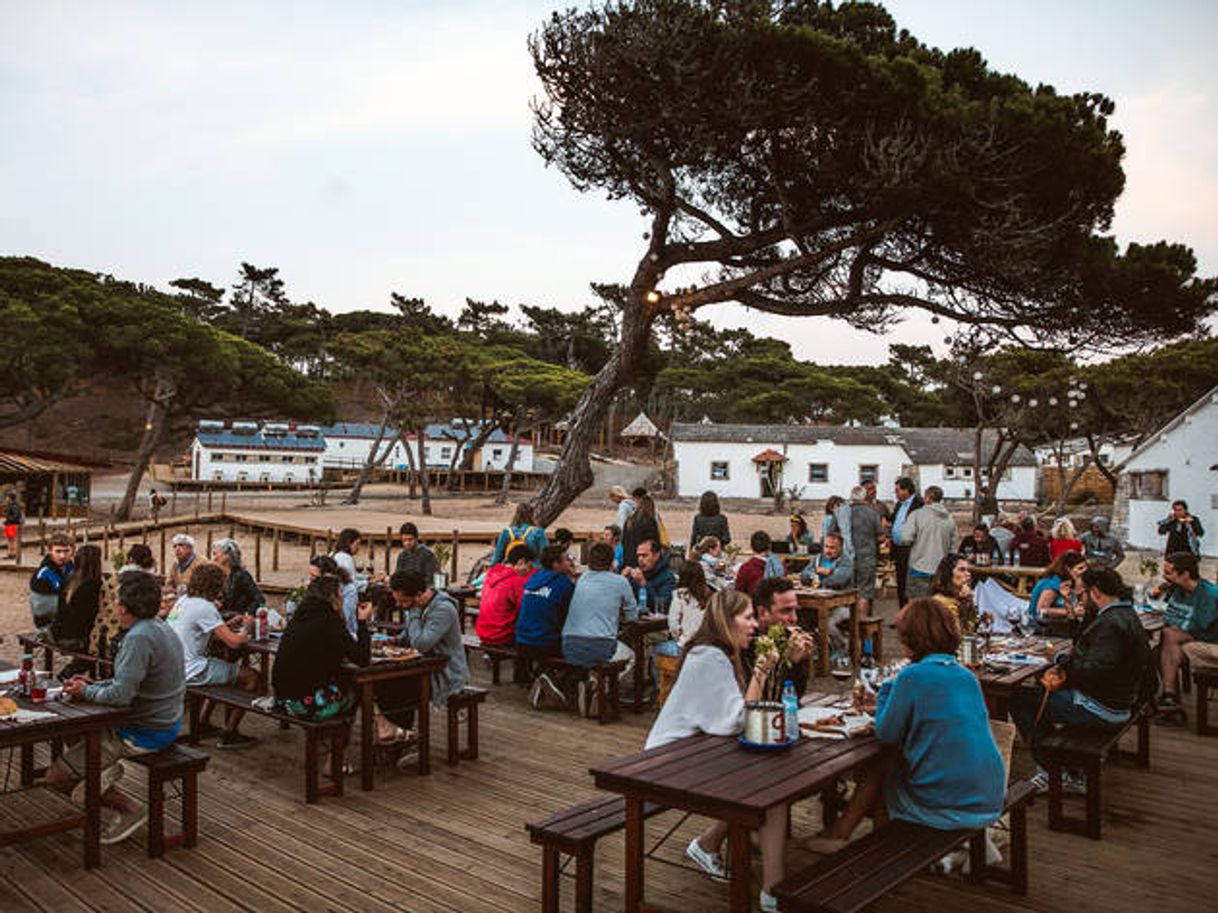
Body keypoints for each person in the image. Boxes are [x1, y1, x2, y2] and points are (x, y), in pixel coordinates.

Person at [813, 598, 1005, 846]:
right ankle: (843, 833)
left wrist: (885, 692)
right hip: (988, 795)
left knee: (882, 769)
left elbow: (886, 734)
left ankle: (872, 849)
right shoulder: (967, 675)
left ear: (912, 638)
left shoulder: (912, 676)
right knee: (889, 765)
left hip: (949, 803)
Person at [645, 590, 788, 912]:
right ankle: (773, 892)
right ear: (727, 620)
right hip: (666, 761)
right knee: (772, 791)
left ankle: (709, 845)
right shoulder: (708, 657)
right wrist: (762, 671)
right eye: (748, 617)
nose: (754, 625)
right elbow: (738, 720)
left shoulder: (714, 653)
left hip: (693, 751)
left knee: (766, 783)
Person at [45, 571, 186, 845]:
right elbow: (128, 682)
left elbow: (121, 695)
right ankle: (98, 773)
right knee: (71, 730)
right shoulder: (159, 627)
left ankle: (129, 808)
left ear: (123, 607)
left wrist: (86, 690)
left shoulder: (137, 638)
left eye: (116, 599)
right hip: (167, 720)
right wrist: (93, 685)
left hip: (144, 731)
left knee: (56, 778)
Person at [1009, 568, 1150, 793]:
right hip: (1120, 701)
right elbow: (1090, 652)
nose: (1080, 600)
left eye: (1082, 594)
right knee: (1037, 696)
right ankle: (1065, 765)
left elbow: (1093, 669)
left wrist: (1060, 660)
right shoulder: (1125, 614)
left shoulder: (1110, 624)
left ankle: (1052, 772)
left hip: (1103, 708)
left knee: (1019, 699)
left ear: (1095, 592)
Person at [166, 562, 260, 748]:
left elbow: (203, 628)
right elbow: (234, 642)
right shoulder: (204, 607)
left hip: (172, 666)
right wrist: (247, 627)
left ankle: (202, 722)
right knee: (253, 677)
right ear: (216, 585)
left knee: (222, 664)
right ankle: (230, 733)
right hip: (190, 670)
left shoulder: (183, 601)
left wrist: (227, 624)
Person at [273, 575, 373, 724]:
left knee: (342, 678)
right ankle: (338, 736)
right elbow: (362, 658)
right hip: (305, 705)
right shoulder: (329, 620)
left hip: (281, 699)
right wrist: (362, 622)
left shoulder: (300, 615)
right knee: (358, 687)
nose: (343, 599)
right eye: (341, 594)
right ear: (333, 597)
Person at [383, 570, 470, 733]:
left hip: (445, 674)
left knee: (398, 692)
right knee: (387, 686)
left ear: (418, 595)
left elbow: (421, 644)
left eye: (403, 602)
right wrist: (392, 641)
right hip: (425, 668)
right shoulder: (416, 604)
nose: (399, 606)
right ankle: (395, 733)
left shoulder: (443, 610)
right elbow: (409, 635)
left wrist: (414, 612)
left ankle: (404, 737)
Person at [563, 541, 639, 716]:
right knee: (631, 657)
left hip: (569, 645)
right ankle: (600, 687)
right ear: (612, 561)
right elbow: (632, 617)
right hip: (599, 646)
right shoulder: (620, 582)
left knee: (605, 649)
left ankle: (593, 684)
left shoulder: (581, 579)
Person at [1154, 552, 1218, 723]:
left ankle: (1169, 698)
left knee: (1167, 639)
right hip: (1193, 639)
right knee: (1158, 650)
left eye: (1168, 573)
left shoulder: (1210, 595)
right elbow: (1170, 616)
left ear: (1185, 574)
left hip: (1212, 644)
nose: (1164, 576)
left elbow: (1196, 627)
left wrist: (1172, 628)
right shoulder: (1178, 590)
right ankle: (1170, 700)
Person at [516, 545, 577, 706]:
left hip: (522, 640)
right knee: (582, 649)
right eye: (566, 559)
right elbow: (570, 616)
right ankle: (553, 679)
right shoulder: (563, 584)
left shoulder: (533, 578)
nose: (570, 562)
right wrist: (571, 580)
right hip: (544, 642)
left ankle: (545, 675)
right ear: (556, 564)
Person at [743, 576, 815, 696]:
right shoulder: (745, 641)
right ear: (762, 613)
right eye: (786, 611)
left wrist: (796, 663)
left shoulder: (786, 637)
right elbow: (765, 700)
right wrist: (787, 663)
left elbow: (795, 697)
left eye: (795, 610)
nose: (794, 618)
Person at [895, 485, 956, 601]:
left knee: (918, 605)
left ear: (927, 498)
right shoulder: (949, 518)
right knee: (938, 604)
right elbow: (953, 544)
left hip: (919, 567)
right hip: (940, 569)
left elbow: (905, 538)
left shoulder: (917, 515)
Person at [476, 544, 534, 646]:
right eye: (529, 566)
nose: (529, 571)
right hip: (500, 636)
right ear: (521, 562)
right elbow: (525, 608)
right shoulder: (515, 581)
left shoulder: (491, 574)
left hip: (482, 632)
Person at [847, 485, 885, 618]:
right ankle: (863, 625)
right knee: (865, 592)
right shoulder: (873, 513)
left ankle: (848, 623)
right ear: (864, 497)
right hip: (867, 557)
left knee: (847, 592)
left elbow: (832, 534)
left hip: (846, 558)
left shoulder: (842, 513)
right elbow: (881, 537)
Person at [1027, 551, 1087, 630]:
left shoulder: (1070, 581)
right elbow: (1041, 610)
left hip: (1057, 625)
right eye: (1080, 568)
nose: (1085, 571)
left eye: (1086, 567)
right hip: (1041, 627)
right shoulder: (1053, 585)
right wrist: (1070, 612)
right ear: (1068, 569)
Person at [888, 478, 923, 606]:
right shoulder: (899, 504)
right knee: (901, 583)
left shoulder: (918, 504)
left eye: (897, 490)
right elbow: (894, 520)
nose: (895, 493)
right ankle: (903, 614)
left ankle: (912, 616)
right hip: (898, 549)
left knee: (912, 584)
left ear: (906, 490)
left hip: (911, 549)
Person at [665, 561, 712, 652]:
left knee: (654, 648)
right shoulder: (708, 595)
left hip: (686, 645)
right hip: (706, 645)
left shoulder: (680, 595)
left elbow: (673, 624)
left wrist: (680, 638)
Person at [29, 532, 74, 627]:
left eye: (66, 551)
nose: (62, 556)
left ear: (72, 550)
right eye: (58, 551)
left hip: (69, 619)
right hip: (48, 624)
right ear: (50, 551)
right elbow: (40, 609)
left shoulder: (73, 568)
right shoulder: (42, 575)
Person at [210, 538, 264, 618]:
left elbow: (259, 599)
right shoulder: (216, 574)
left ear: (227, 556)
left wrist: (248, 614)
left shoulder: (241, 575)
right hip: (222, 615)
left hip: (237, 617)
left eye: (215, 554)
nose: (212, 558)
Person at [622, 538, 676, 613]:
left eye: (644, 555)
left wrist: (643, 583)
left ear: (656, 556)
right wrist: (622, 581)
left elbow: (662, 606)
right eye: (638, 556)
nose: (640, 559)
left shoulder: (667, 577)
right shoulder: (636, 574)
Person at [929, 553, 975, 625]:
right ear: (948, 573)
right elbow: (954, 631)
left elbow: (970, 629)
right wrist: (963, 601)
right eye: (962, 570)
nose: (968, 574)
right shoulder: (939, 601)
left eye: (968, 570)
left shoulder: (961, 597)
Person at [734, 530, 784, 597]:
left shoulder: (746, 568)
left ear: (751, 547)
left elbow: (739, 592)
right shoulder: (779, 565)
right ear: (769, 546)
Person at [620, 493, 661, 571]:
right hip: (644, 559)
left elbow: (623, 541)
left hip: (629, 559)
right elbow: (655, 543)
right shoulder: (650, 522)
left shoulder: (629, 521)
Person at [331, 527, 368, 594]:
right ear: (349, 543)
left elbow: (351, 574)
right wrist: (369, 583)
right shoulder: (346, 558)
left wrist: (367, 577)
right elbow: (352, 584)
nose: (358, 548)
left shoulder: (333, 554)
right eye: (357, 544)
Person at [4, 490, 22, 559]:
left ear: (9, 497)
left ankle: (13, 553)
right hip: (10, 524)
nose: (6, 498)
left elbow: (16, 515)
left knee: (13, 539)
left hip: (12, 524)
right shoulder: (11, 505)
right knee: (10, 539)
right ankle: (10, 553)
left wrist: (9, 519)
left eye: (7, 497)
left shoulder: (14, 505)